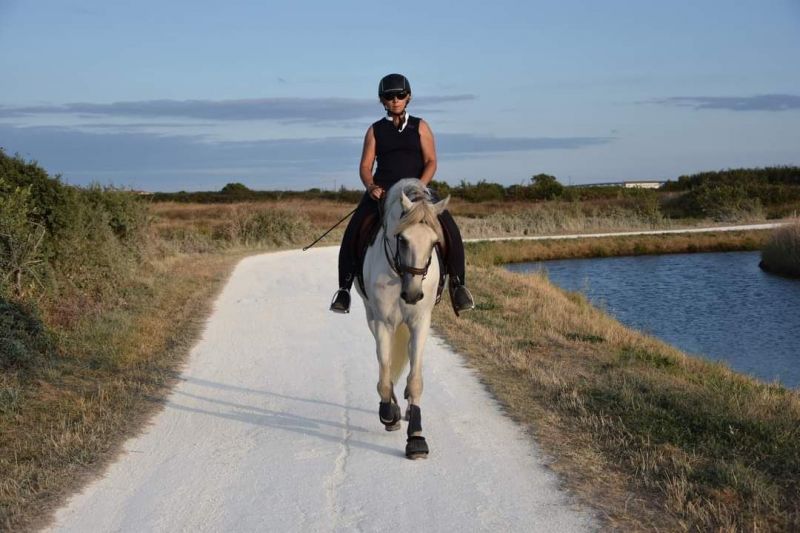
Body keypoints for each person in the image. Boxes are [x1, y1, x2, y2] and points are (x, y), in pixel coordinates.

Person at [330, 73, 475, 316]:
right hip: (383, 191)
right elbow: (365, 166)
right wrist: (370, 186)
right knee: (355, 228)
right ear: (382, 101)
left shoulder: (421, 126)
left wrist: (421, 185)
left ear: (408, 97)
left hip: (418, 189)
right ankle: (344, 289)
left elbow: (431, 161)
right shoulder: (375, 130)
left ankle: (458, 286)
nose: (395, 99)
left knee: (449, 227)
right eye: (389, 96)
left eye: (400, 95)